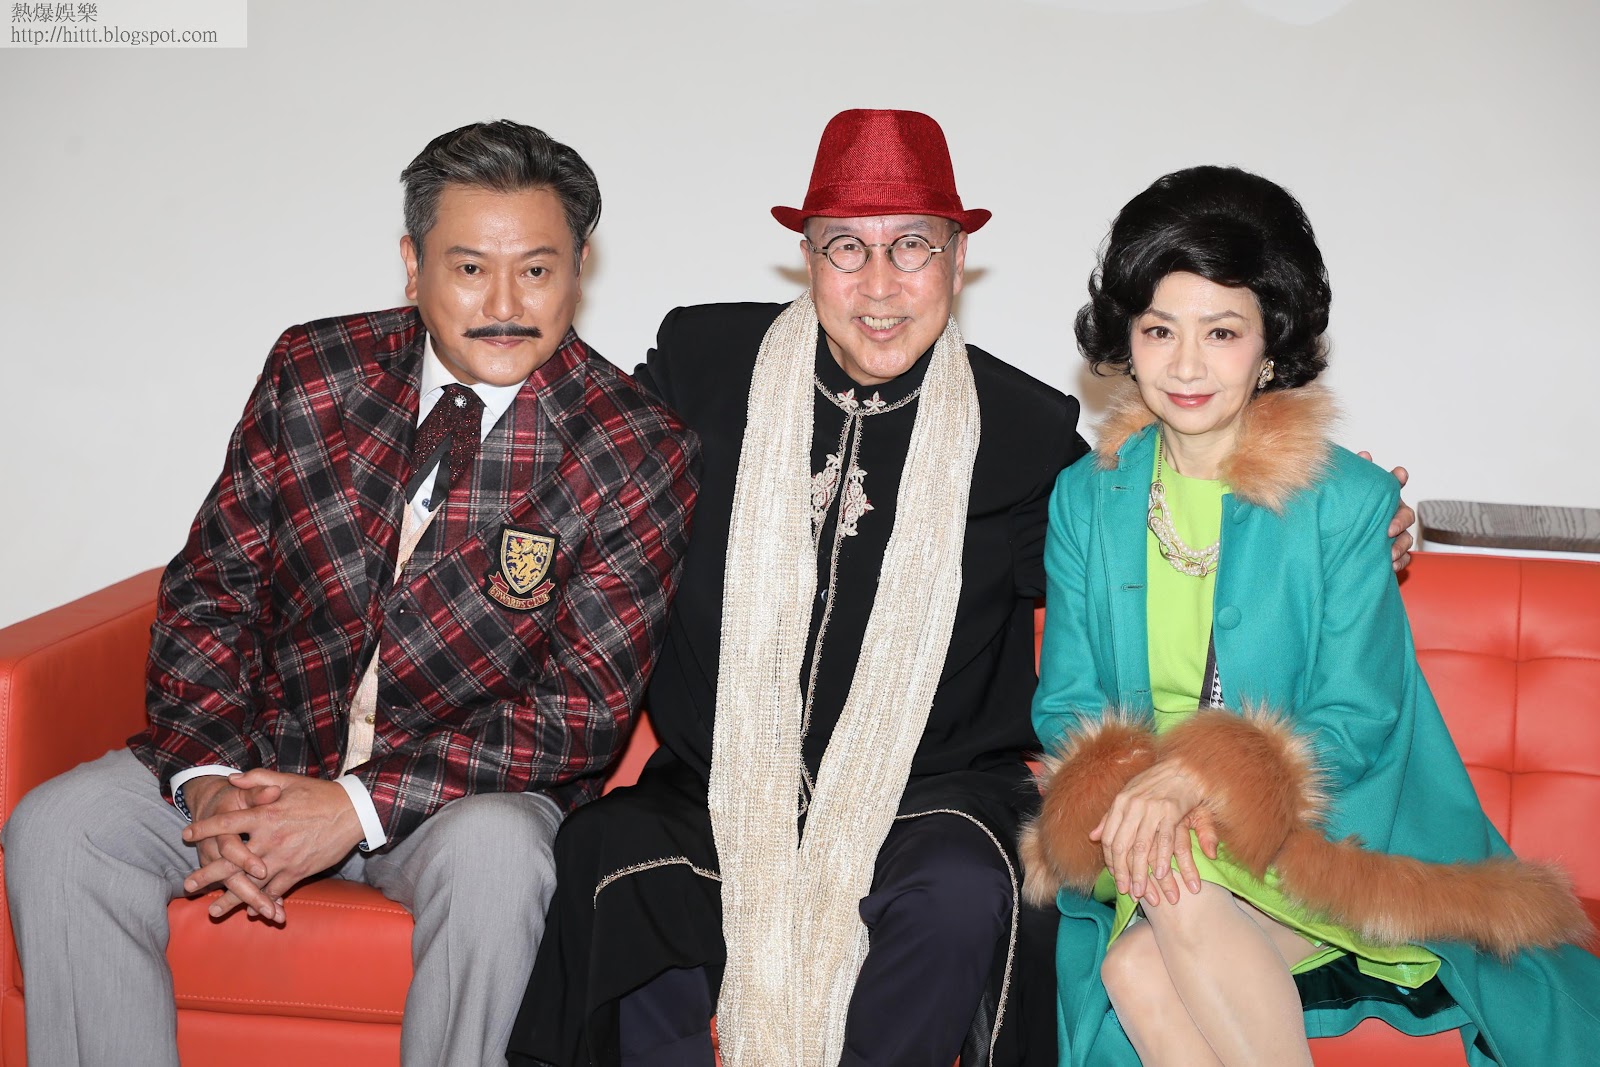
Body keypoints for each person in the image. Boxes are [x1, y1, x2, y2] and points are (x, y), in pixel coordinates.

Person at [1, 119, 699, 1067]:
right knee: (61, 826)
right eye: (469, 268)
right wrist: (211, 785)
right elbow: (213, 589)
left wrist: (353, 807)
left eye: (537, 270)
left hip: (463, 798)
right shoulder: (314, 369)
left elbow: (581, 709)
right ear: (413, 265)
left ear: (579, 268)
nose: (505, 304)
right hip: (265, 751)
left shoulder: (635, 444)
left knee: (500, 863)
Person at [507, 108, 1083, 1067]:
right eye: (846, 248)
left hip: (927, 797)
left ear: (957, 260)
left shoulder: (1025, 429)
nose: (880, 283)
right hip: (723, 786)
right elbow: (576, 454)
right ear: (807, 259)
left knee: (960, 890)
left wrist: (1294, 503)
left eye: (912, 246)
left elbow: (1128, 555)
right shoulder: (706, 365)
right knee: (613, 855)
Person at [1022, 165, 1600, 1066]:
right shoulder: (1085, 501)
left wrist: (1199, 781)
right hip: (1143, 835)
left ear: (1269, 346)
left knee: (1149, 946)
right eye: (1159, 329)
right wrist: (1151, 793)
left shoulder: (1345, 500)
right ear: (1126, 339)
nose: (1185, 364)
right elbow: (1067, 703)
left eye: (1221, 331)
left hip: (1318, 836)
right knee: (1144, 950)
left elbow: (1356, 718)